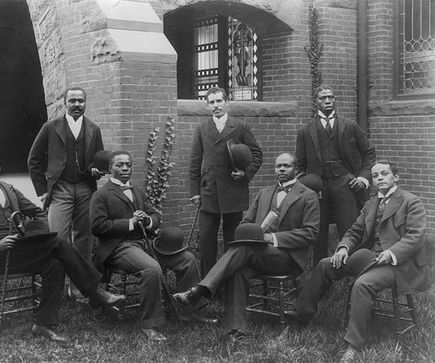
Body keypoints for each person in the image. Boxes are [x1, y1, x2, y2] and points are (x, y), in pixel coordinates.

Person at [0, 144, 125, 342]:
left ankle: (42, 324)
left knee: (56, 263)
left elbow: (38, 213)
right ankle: (94, 292)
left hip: (20, 250)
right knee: (59, 243)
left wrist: (29, 228)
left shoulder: (9, 189)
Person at [285, 160, 431, 363]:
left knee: (362, 284)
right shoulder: (371, 204)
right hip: (372, 258)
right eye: (375, 176)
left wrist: (392, 253)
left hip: (400, 264)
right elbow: (355, 231)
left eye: (384, 174)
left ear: (395, 177)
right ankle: (301, 314)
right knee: (326, 264)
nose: (379, 178)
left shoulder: (411, 201)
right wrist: (343, 247)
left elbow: (416, 236)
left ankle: (354, 345)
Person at [173, 153, 320, 340]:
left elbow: (310, 233)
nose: (281, 169)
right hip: (257, 253)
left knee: (243, 251)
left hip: (287, 257)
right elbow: (244, 223)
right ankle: (237, 330)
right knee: (238, 268)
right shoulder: (264, 193)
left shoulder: (308, 195)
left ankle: (201, 290)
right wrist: (252, 233)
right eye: (278, 166)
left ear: (296, 170)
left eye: (286, 166)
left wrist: (271, 237)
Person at [90, 151, 209, 342]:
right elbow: (98, 226)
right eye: (120, 165)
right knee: (151, 268)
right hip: (120, 247)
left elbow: (155, 216)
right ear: (110, 168)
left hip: (146, 243)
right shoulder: (101, 195)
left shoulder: (137, 192)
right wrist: (130, 222)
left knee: (187, 259)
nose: (125, 169)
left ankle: (188, 310)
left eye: (128, 165)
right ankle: (150, 324)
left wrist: (147, 221)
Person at [28, 87, 104, 300]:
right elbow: (33, 160)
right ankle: (54, 287)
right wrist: (42, 191)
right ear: (64, 103)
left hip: (85, 189)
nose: (77, 104)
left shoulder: (93, 129)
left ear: (86, 103)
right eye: (72, 101)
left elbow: (99, 161)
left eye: (81, 101)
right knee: (57, 238)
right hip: (60, 189)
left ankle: (78, 289)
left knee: (84, 237)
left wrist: (97, 171)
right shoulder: (50, 127)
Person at [295, 85, 376, 266]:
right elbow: (300, 166)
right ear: (315, 102)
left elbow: (369, 153)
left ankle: (352, 271)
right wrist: (307, 186)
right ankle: (320, 273)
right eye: (323, 98)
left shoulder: (350, 126)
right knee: (319, 230)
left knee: (349, 228)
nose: (327, 101)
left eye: (330, 97)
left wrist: (363, 178)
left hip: (345, 184)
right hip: (318, 188)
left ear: (335, 99)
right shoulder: (305, 131)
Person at [189, 86, 263, 277]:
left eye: (219, 101)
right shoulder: (202, 128)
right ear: (207, 106)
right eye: (211, 102)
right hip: (209, 191)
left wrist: (245, 173)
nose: (215, 106)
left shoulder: (240, 127)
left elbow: (257, 155)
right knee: (206, 239)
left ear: (227, 102)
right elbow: (195, 161)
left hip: (233, 189)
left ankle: (230, 280)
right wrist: (195, 192)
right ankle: (208, 283)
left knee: (232, 238)